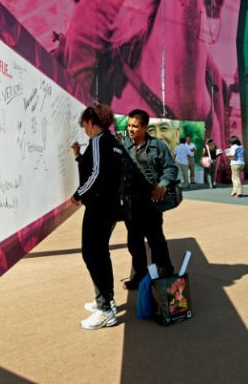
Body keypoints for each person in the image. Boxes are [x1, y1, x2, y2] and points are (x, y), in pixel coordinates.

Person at [70, 104, 124, 329]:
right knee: (99, 253)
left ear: (91, 122)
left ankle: (105, 310)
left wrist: (79, 194)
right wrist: (78, 157)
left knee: (92, 255)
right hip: (109, 207)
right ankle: (106, 299)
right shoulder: (112, 142)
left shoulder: (100, 141)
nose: (84, 129)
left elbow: (98, 174)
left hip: (100, 207)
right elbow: (98, 168)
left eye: (84, 124)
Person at [121, 108, 178, 290]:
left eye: (135, 126)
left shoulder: (157, 146)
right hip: (131, 203)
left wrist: (162, 185)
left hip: (152, 203)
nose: (131, 129)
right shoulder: (125, 147)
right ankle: (140, 275)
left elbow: (171, 168)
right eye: (129, 125)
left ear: (145, 127)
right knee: (135, 242)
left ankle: (165, 272)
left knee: (156, 240)